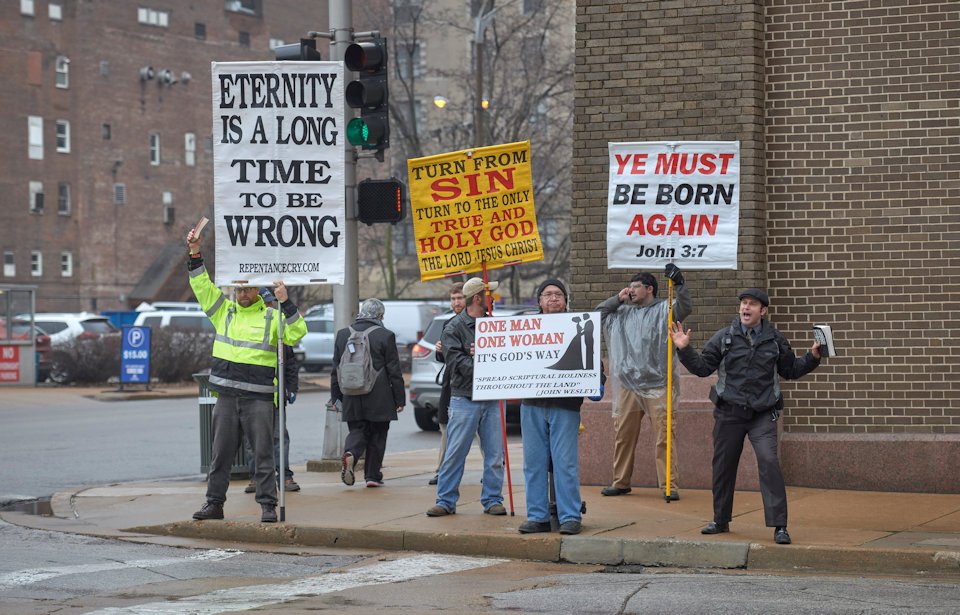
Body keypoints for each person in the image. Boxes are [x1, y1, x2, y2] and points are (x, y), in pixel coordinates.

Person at [669, 288, 821, 545]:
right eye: (743, 303)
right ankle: (721, 519)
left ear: (763, 311)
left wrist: (812, 358)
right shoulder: (724, 337)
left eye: (752, 304)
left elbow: (791, 370)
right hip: (729, 413)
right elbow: (704, 368)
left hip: (763, 414)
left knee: (769, 462)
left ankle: (780, 526)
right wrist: (684, 349)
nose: (745, 308)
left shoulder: (775, 340)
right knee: (723, 467)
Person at [185, 229, 307, 524]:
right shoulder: (223, 312)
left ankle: (267, 505)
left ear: (257, 291)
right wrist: (195, 252)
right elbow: (201, 285)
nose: (242, 294)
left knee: (263, 456)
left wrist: (286, 302)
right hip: (227, 398)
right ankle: (214, 504)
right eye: (238, 289)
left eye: (247, 289)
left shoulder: (271, 316)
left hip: (259, 399)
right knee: (220, 456)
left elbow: (297, 332)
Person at [596, 265, 691, 500]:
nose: (630, 290)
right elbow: (598, 315)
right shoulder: (623, 313)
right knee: (624, 435)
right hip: (629, 384)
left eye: (635, 287)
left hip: (658, 383)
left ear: (649, 289)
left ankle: (669, 485)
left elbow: (685, 307)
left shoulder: (665, 309)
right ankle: (620, 482)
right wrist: (617, 299)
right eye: (630, 287)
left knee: (664, 435)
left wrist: (680, 284)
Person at [518, 278, 599, 536]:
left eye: (558, 295)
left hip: (565, 405)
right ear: (539, 301)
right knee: (533, 463)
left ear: (565, 301)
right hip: (531, 404)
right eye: (548, 294)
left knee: (565, 463)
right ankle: (538, 516)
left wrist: (597, 380)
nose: (554, 298)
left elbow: (592, 361)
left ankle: (570, 516)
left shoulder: (581, 326)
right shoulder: (523, 329)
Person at [426, 277, 506, 517]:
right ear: (478, 299)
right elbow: (456, 362)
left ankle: (493, 499)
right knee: (455, 452)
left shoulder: (494, 326)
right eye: (489, 294)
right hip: (464, 399)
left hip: (492, 398)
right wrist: (483, 362)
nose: (493, 298)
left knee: (494, 454)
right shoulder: (453, 328)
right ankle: (445, 500)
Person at [331, 298, 406, 488]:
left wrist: (336, 397)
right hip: (379, 395)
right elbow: (394, 371)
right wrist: (399, 398)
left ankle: (351, 453)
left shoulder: (342, 335)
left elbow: (335, 369)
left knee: (358, 430)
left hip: (350, 393)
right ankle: (372, 476)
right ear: (380, 316)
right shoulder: (385, 335)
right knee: (378, 434)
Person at [243, 287, 301, 494]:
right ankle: (255, 478)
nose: (269, 307)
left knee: (279, 438)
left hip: (275, 396)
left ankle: (284, 476)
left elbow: (291, 364)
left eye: (271, 303)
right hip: (253, 393)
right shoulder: (250, 328)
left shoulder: (279, 328)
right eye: (266, 303)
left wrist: (291, 388)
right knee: (253, 440)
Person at [429, 281, 466, 486]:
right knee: (445, 427)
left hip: (473, 384)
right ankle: (442, 470)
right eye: (453, 299)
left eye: (459, 297)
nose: (456, 302)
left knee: (481, 431)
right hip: (451, 383)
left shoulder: (480, 322)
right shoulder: (448, 323)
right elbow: (445, 359)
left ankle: (494, 466)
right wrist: (439, 350)